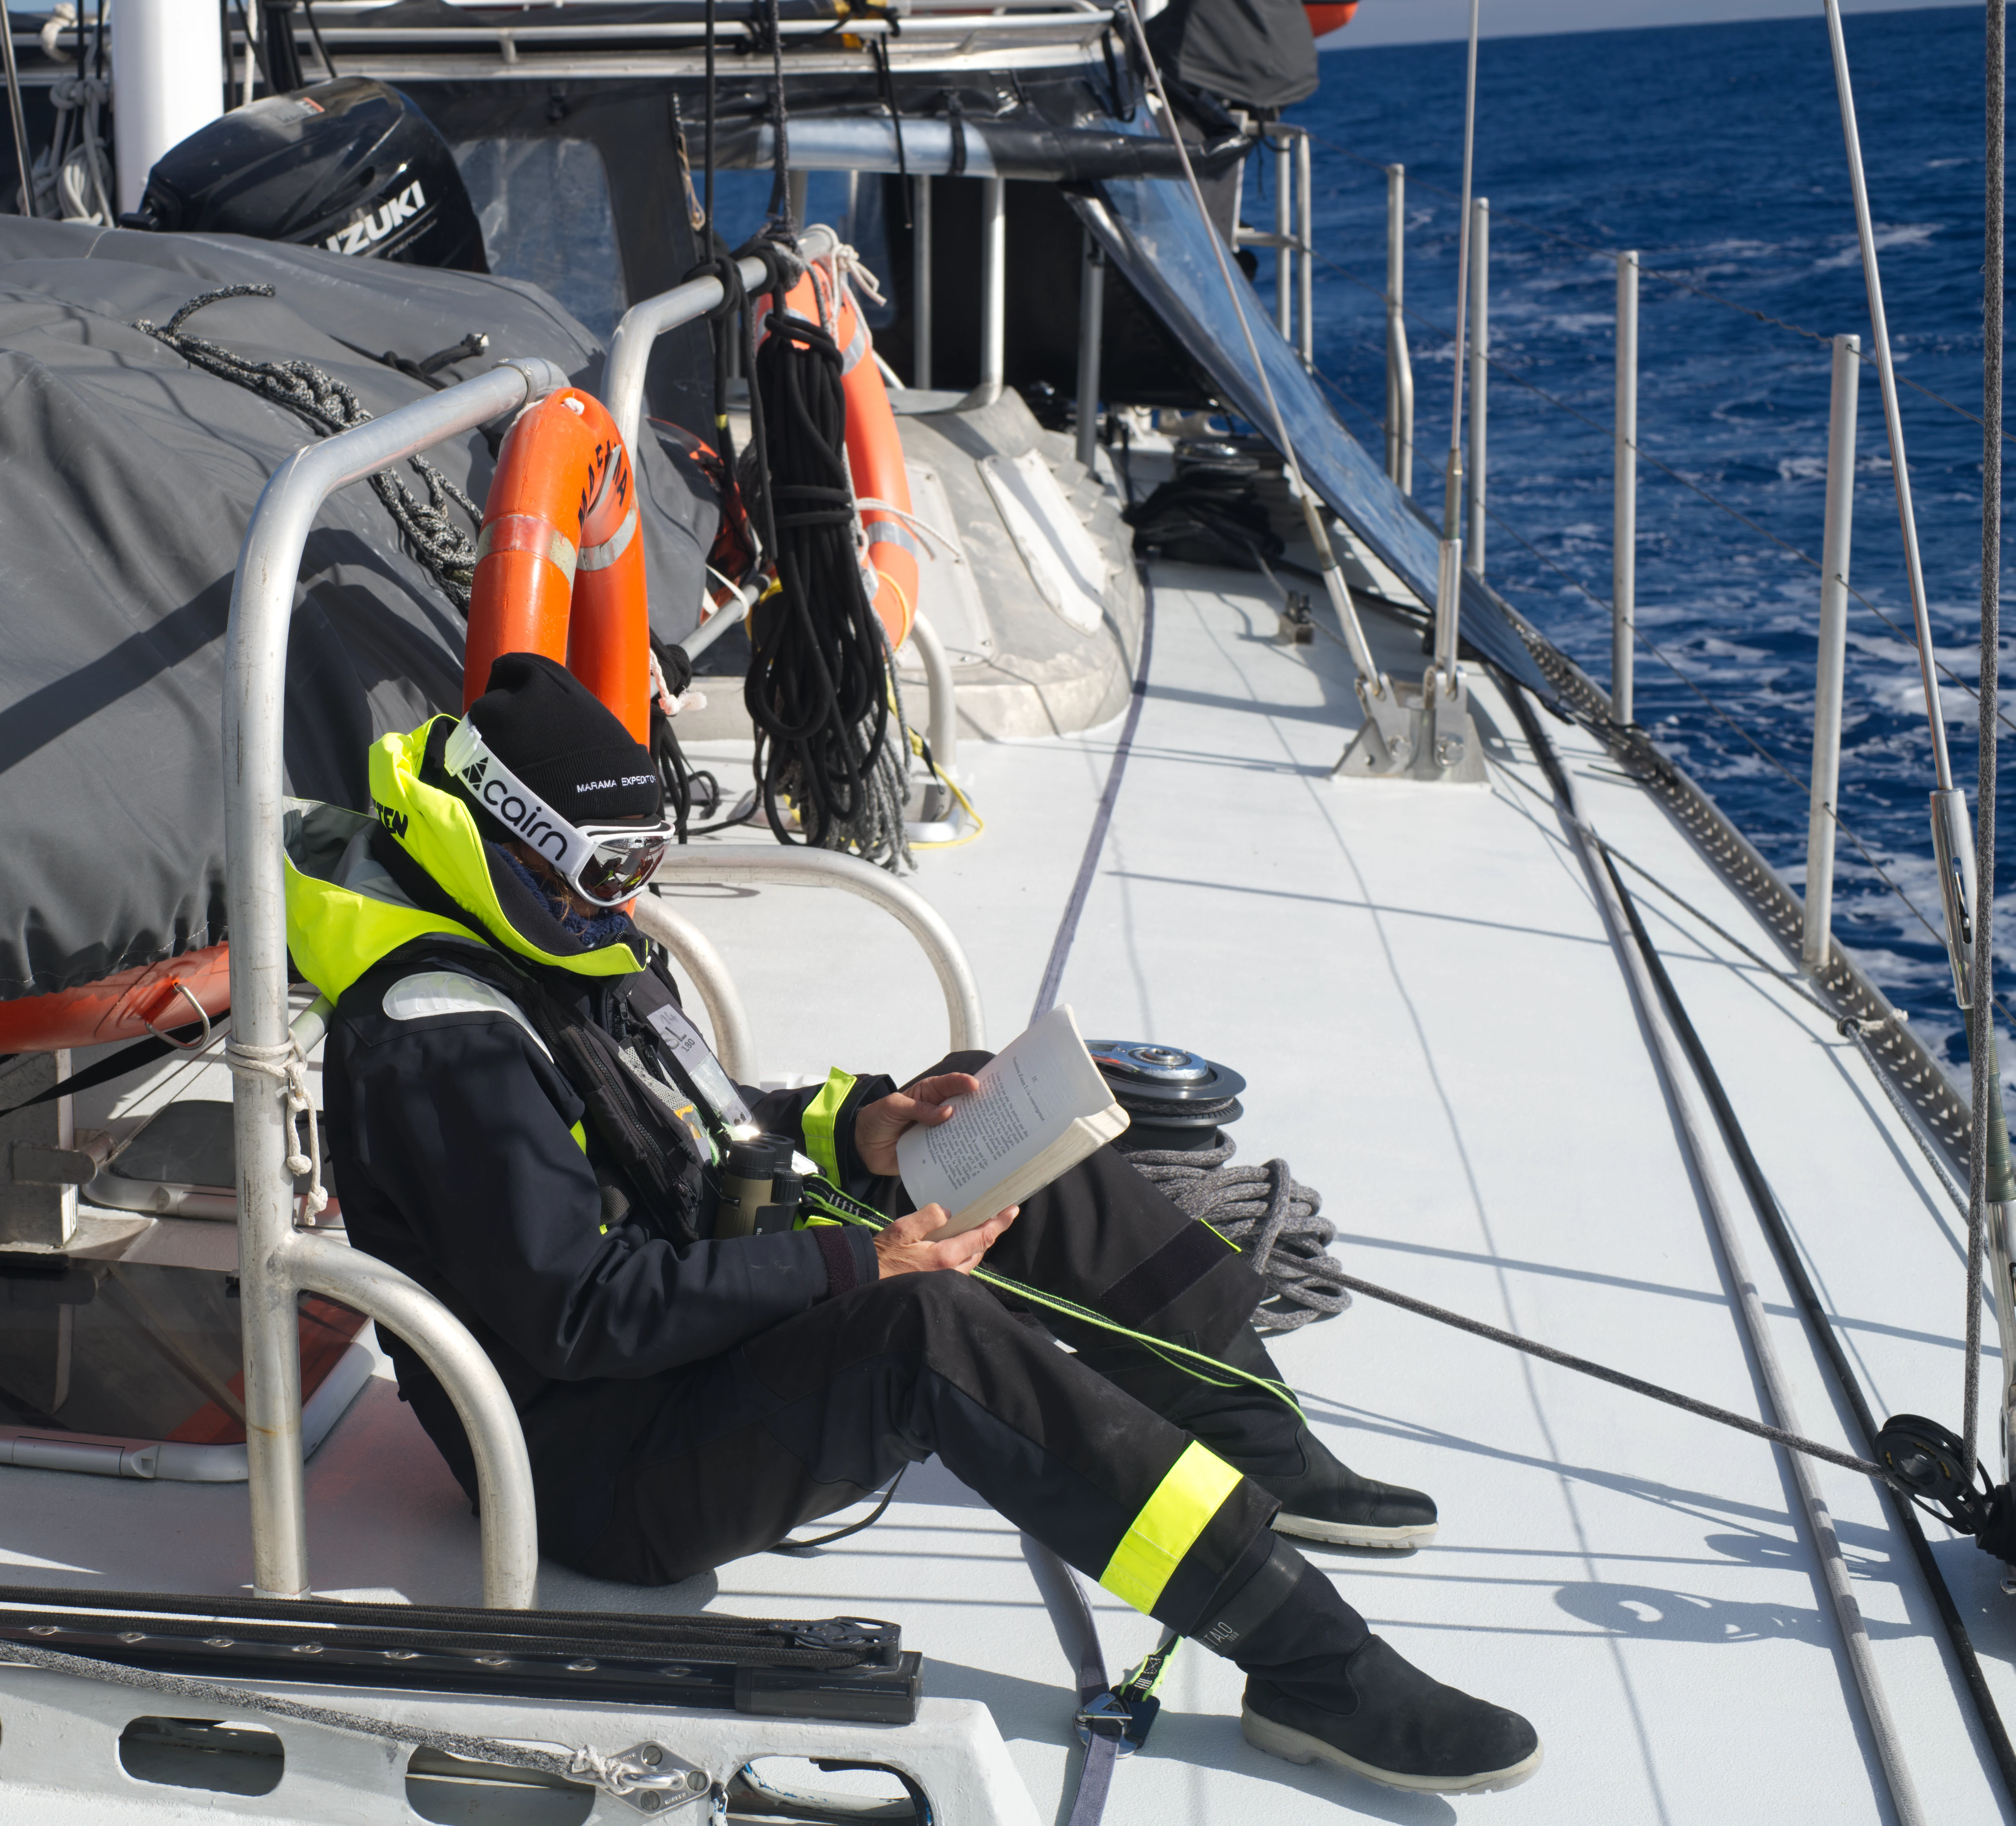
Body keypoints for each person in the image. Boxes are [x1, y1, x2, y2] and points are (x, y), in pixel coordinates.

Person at [286, 652, 1542, 1796]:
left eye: (647, 863)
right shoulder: (444, 1041)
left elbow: (684, 1127)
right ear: (504, 840)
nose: (631, 901)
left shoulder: (556, 939)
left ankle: (1252, 1437)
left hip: (672, 1346)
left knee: (991, 1112)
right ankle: (1308, 1658)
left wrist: (865, 1130)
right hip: (595, 1468)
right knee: (927, 1331)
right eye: (610, 872)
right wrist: (859, 1262)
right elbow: (575, 1312)